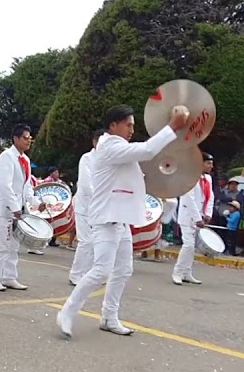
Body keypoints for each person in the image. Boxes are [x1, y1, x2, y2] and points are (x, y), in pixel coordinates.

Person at [56, 105, 189, 338]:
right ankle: (67, 311)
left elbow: (145, 161)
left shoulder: (122, 149)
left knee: (124, 270)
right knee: (101, 271)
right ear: (113, 126)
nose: (131, 130)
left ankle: (109, 317)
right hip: (106, 218)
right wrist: (172, 126)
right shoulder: (109, 146)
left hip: (120, 218)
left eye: (133, 126)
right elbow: (148, 150)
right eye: (128, 125)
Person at [0, 125, 45, 291]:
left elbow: (26, 186)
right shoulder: (6, 156)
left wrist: (35, 202)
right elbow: (5, 185)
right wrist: (14, 207)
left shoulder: (25, 160)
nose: (29, 141)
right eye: (25, 138)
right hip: (4, 209)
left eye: (30, 138)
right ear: (16, 138)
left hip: (17, 209)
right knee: (3, 244)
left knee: (14, 245)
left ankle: (9, 277)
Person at [67, 129, 103, 285]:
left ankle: (89, 274)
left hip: (100, 208)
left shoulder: (107, 160)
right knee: (86, 241)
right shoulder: (87, 158)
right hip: (85, 206)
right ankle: (76, 274)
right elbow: (86, 185)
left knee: (97, 242)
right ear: (94, 142)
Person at [172, 153, 215, 285]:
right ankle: (177, 272)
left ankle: (187, 272)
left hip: (200, 217)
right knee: (188, 245)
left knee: (192, 247)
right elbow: (187, 198)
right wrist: (197, 218)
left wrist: (208, 214)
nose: (211, 166)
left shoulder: (207, 178)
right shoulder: (189, 177)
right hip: (187, 216)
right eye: (208, 163)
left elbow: (210, 196)